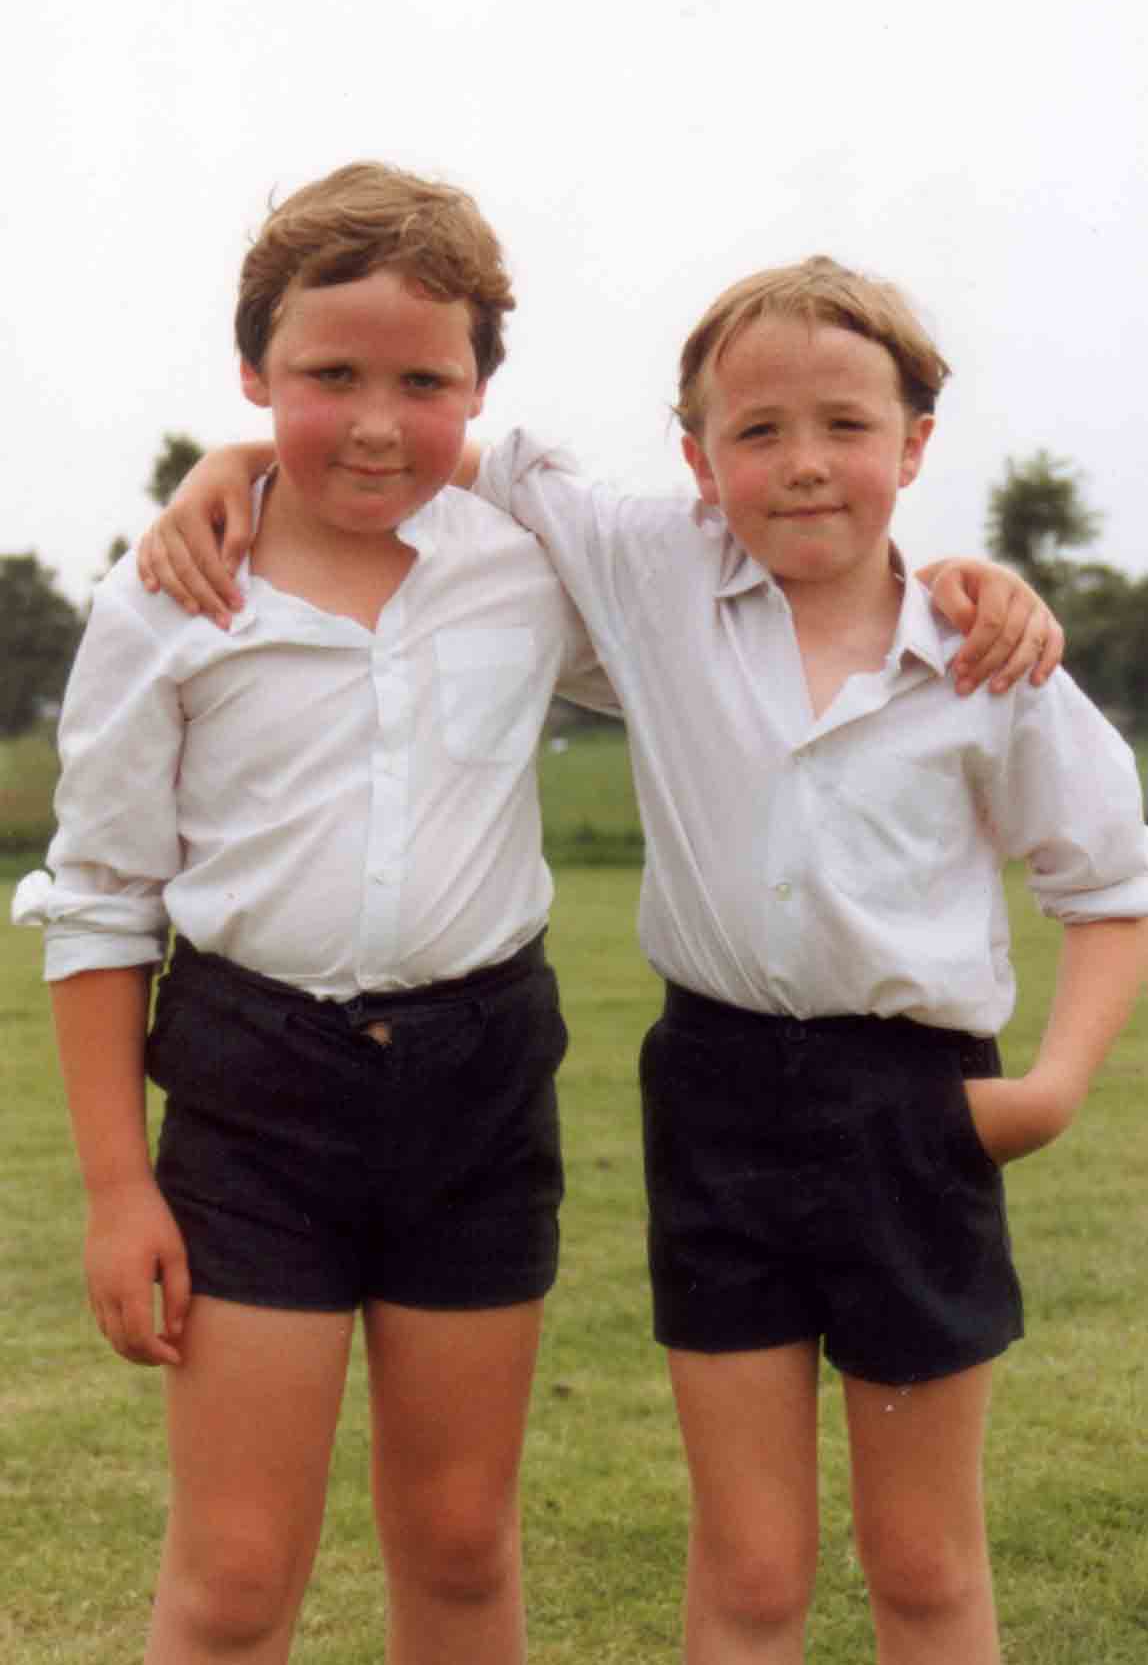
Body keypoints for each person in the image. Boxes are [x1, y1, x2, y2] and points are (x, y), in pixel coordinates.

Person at [133, 252, 1106, 1662]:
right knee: (753, 1568)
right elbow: (411, 438)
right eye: (757, 430)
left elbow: (1111, 880)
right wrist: (229, 464)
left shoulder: (980, 653)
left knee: (925, 1560)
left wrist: (1055, 1089)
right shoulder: (650, 574)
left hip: (918, 1104)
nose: (804, 462)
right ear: (697, 458)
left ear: (916, 444)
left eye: (846, 425)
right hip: (716, 1094)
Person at [12, 161, 617, 1665]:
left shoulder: (533, 571)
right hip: (254, 1096)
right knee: (232, 1576)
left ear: (480, 390)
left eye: (425, 382)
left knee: (462, 1540)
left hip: (480, 1087)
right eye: (328, 377)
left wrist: (947, 577)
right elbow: (102, 903)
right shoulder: (167, 598)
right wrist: (117, 1191)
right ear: (253, 370)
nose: (375, 423)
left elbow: (741, 602)